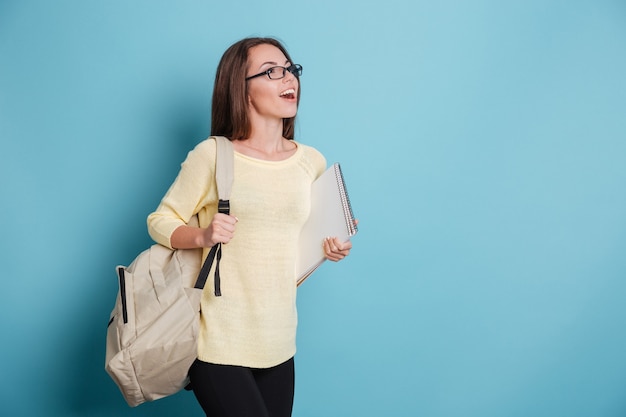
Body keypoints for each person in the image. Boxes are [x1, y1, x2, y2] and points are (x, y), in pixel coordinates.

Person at [147, 37, 354, 417]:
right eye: (272, 71)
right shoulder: (213, 155)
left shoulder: (311, 162)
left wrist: (328, 252)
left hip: (279, 341)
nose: (288, 78)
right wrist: (203, 236)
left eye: (291, 69)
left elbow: (290, 257)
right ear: (240, 89)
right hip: (217, 343)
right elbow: (160, 221)